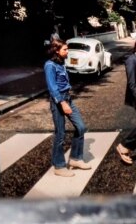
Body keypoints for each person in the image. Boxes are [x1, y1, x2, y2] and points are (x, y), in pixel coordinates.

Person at [43, 39, 91, 177]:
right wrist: (62, 103)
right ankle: (59, 166)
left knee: (81, 127)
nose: (67, 51)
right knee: (60, 134)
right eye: (65, 49)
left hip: (67, 98)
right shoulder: (50, 65)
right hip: (59, 101)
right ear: (56, 51)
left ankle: (75, 159)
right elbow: (52, 87)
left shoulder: (60, 62)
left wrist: (67, 100)